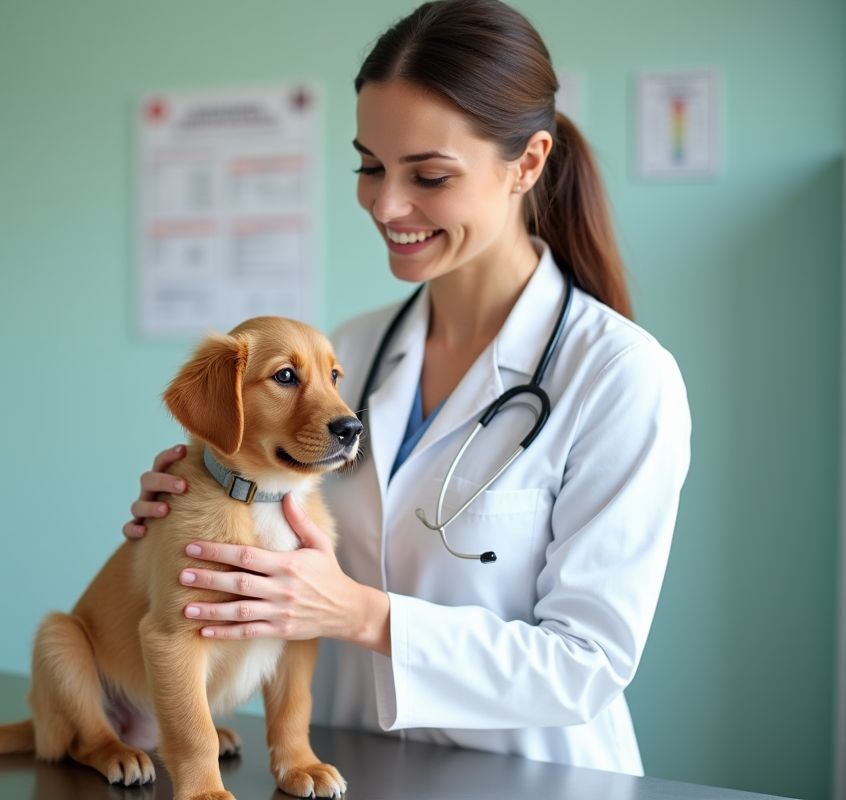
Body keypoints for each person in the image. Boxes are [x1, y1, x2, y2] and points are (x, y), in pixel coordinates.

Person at [125, 0, 690, 776]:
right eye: (370, 166)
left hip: (531, 776)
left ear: (527, 164)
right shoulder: (351, 350)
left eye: (428, 175)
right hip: (350, 765)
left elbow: (585, 666)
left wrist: (362, 615)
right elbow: (283, 538)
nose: (386, 205)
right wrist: (206, 493)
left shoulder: (619, 376)